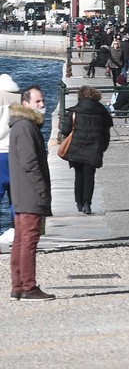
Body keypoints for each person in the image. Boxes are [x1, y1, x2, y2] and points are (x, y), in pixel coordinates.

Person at [8, 83, 53, 301]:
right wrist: (41, 189)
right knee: (28, 240)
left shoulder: (20, 125)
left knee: (20, 240)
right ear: (25, 104)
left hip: (22, 192)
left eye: (43, 100)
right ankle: (28, 286)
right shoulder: (26, 127)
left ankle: (18, 285)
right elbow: (30, 162)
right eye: (38, 101)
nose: (42, 104)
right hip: (29, 193)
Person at [60, 85, 113, 214]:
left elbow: (65, 130)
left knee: (79, 175)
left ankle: (78, 202)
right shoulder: (102, 112)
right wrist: (103, 147)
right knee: (89, 176)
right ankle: (87, 203)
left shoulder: (74, 111)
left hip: (76, 148)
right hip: (94, 148)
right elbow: (106, 131)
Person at [0, 75, 17, 236]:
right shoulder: (20, 97)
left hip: (0, 152)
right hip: (17, 153)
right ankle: (16, 232)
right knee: (18, 196)